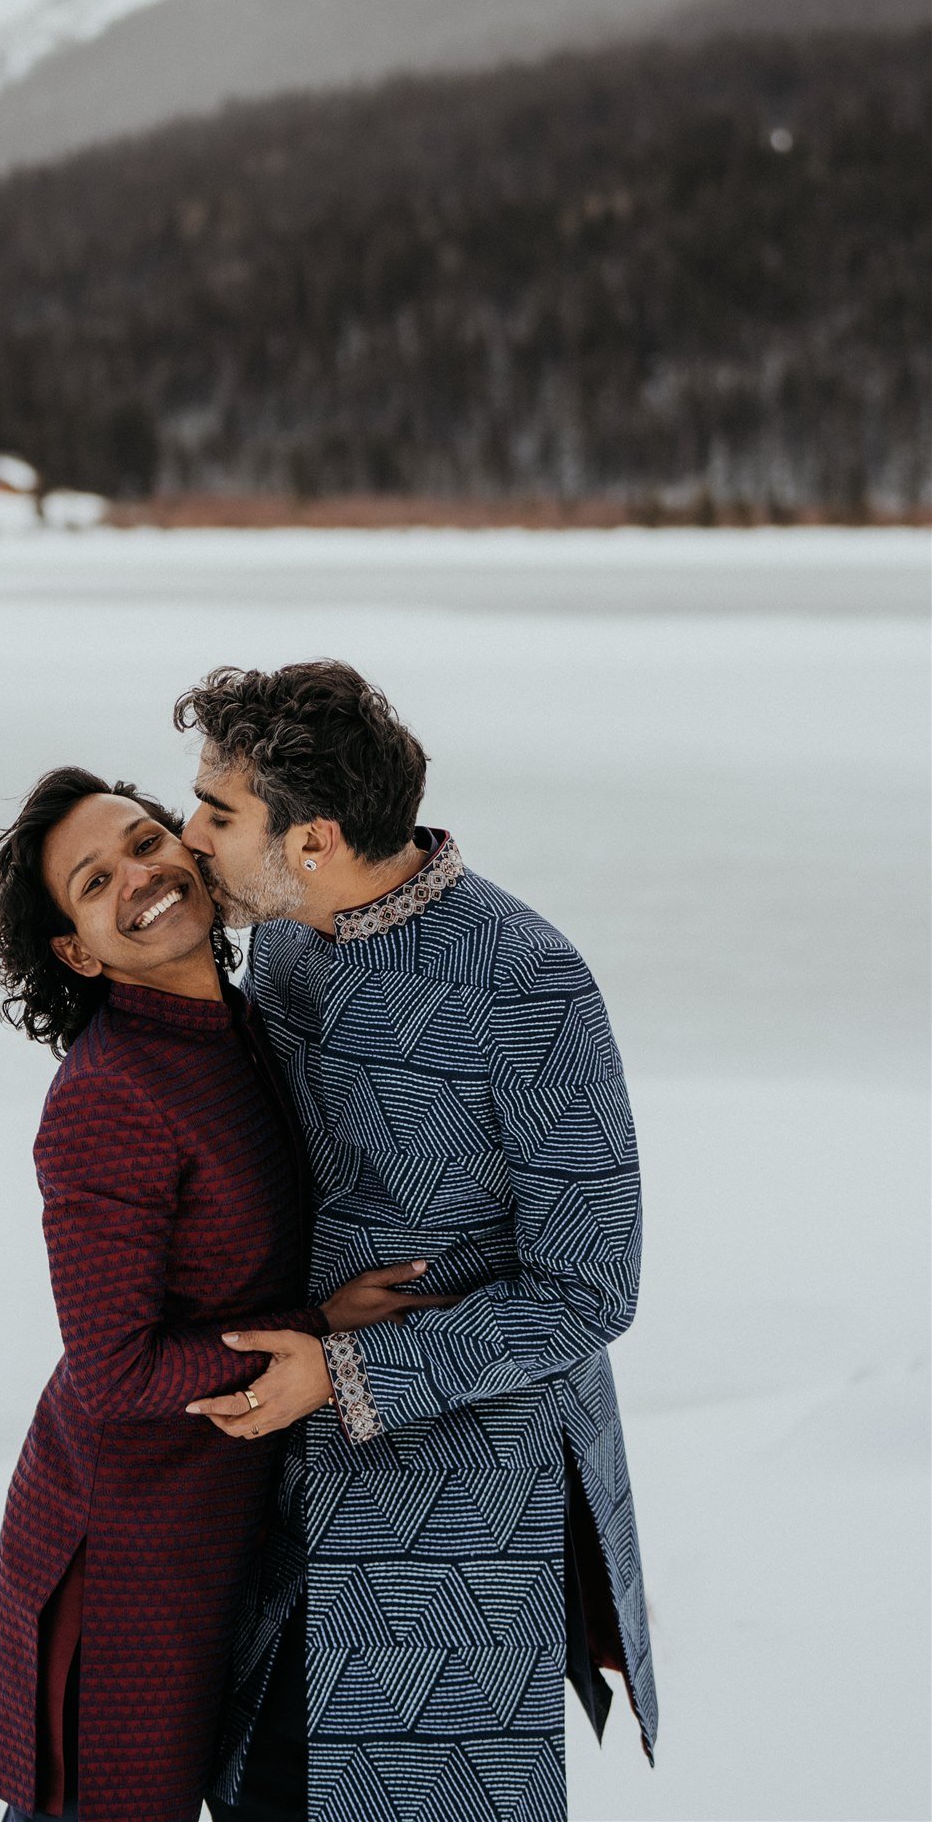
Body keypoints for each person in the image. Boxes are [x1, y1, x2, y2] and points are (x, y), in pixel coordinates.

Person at [176, 662, 659, 1822]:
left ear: (316, 838)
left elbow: (590, 1286)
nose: (185, 834)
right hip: (274, 1482)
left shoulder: (530, 984)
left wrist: (346, 1375)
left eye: (218, 811)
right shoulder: (285, 940)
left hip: (454, 1524)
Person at [0, 766, 430, 1822]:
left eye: (143, 838)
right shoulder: (109, 1096)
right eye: (94, 880)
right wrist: (324, 1327)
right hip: (126, 1553)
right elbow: (112, 1369)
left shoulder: (245, 1021)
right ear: (77, 951)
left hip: (219, 1532)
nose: (141, 873)